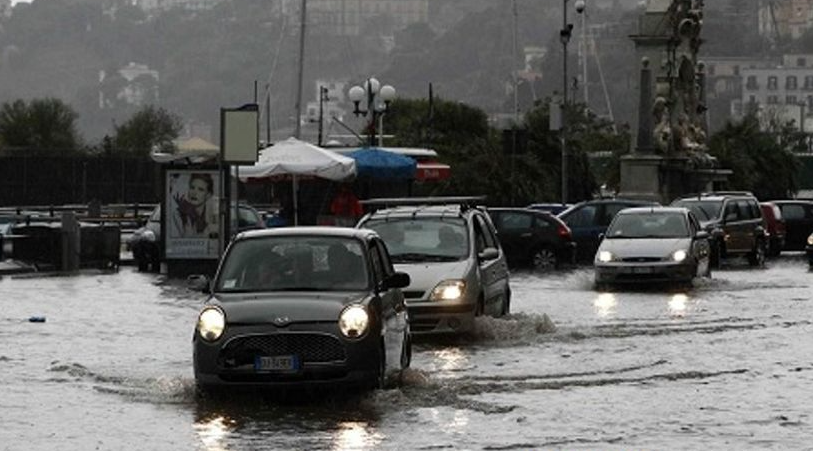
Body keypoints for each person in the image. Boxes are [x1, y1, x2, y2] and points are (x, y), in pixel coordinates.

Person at [170, 173, 218, 238]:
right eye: (192, 188)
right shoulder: (179, 215)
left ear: (208, 195)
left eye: (201, 189)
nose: (194, 193)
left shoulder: (211, 216)